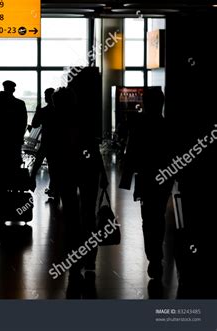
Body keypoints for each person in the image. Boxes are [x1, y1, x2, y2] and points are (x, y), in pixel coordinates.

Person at [51, 87, 108, 283]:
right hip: (88, 172)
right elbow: (93, 148)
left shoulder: (55, 122)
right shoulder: (84, 119)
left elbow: (50, 151)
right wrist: (103, 172)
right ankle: (90, 259)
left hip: (67, 173)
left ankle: (75, 257)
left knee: (71, 217)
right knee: (88, 215)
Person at [119, 87, 173, 280]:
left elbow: (131, 153)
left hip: (145, 177)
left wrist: (125, 180)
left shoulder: (139, 125)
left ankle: (153, 256)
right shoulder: (167, 125)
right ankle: (156, 255)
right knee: (158, 215)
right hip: (164, 177)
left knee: (148, 218)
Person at [0, 81, 27, 194]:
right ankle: (13, 189)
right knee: (13, 168)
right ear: (14, 89)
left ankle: (0, 190)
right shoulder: (20, 104)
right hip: (13, 143)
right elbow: (23, 124)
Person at [30, 88, 57, 197]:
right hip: (56, 142)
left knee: (38, 162)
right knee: (53, 165)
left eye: (46, 95)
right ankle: (53, 187)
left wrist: (37, 112)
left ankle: (32, 180)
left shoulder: (43, 111)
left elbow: (35, 125)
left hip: (46, 141)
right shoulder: (59, 111)